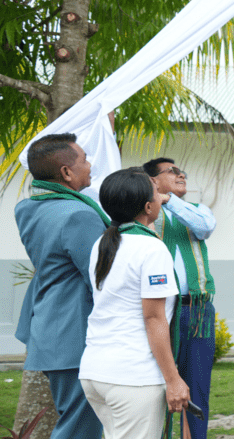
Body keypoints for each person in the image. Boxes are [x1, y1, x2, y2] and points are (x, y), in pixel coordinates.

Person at [79, 168, 190, 438]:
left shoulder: (104, 243)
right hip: (132, 377)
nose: (161, 196)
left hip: (96, 372)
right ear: (148, 206)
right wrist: (173, 379)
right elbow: (154, 319)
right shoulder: (151, 249)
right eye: (156, 192)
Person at [14, 134, 106, 439]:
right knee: (81, 426)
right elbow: (101, 278)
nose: (90, 165)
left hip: (49, 328)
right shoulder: (79, 214)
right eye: (83, 159)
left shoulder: (30, 208)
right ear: (66, 172)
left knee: (77, 420)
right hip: (74, 331)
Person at [143, 157, 217, 439]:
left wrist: (169, 199)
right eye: (171, 171)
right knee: (157, 384)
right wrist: (156, 201)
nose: (180, 174)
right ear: (152, 180)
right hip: (159, 312)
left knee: (198, 387)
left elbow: (204, 227)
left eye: (182, 171)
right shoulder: (145, 213)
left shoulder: (198, 211)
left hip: (196, 311)